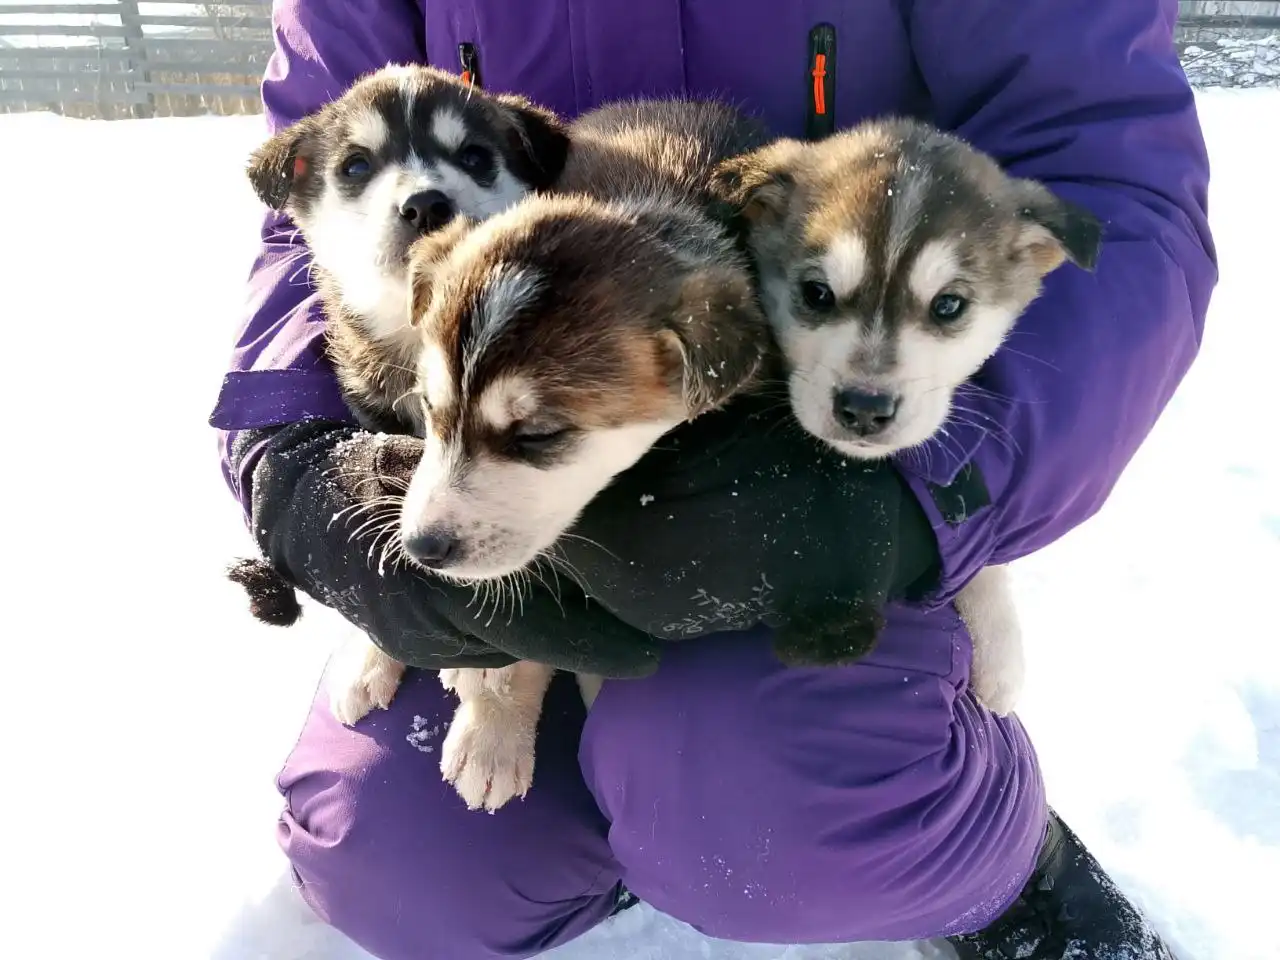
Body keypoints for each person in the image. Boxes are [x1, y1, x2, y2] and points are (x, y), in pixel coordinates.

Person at [208, 0, 1216, 957]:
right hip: (511, 393)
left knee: (772, 808)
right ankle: (619, 825)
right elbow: (316, 183)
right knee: (400, 863)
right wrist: (293, 465)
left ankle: (985, 859)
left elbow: (1103, 173)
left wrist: (927, 498)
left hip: (806, 424)